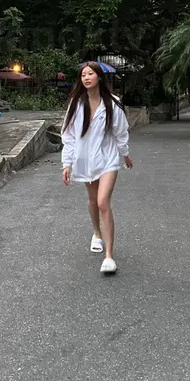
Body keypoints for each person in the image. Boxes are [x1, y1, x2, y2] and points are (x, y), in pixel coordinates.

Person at [61, 61, 132, 274]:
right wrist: (67, 163)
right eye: (83, 75)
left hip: (108, 159)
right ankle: (97, 234)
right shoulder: (76, 104)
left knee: (102, 202)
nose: (86, 77)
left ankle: (109, 256)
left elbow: (120, 132)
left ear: (99, 77)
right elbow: (69, 136)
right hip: (85, 160)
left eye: (90, 74)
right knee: (92, 200)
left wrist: (125, 154)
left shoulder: (113, 103)